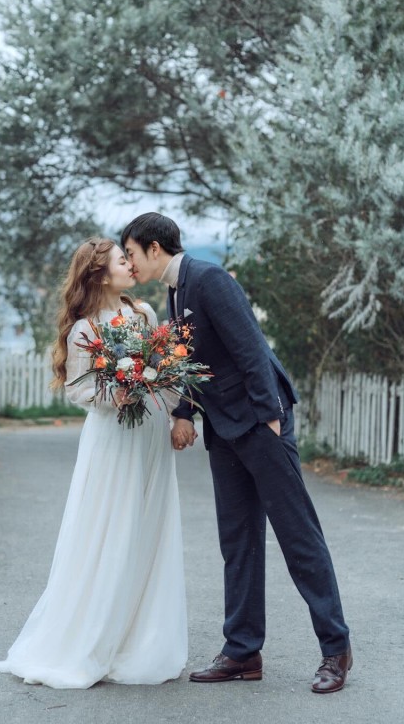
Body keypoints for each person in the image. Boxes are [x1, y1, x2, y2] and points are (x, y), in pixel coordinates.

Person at [122, 213, 352, 694]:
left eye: (131, 253)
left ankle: (336, 650)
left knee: (297, 536)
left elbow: (250, 346)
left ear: (154, 249)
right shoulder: (175, 291)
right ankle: (243, 652)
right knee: (238, 539)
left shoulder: (207, 279)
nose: (128, 262)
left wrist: (270, 415)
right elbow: (190, 358)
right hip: (224, 427)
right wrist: (183, 412)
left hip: (259, 421)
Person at [0, 238, 187, 689]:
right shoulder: (84, 329)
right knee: (111, 529)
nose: (131, 265)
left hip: (151, 435)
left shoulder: (144, 315)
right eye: (123, 260)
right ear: (100, 274)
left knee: (148, 528)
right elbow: (78, 389)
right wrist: (114, 393)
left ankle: (143, 639)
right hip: (114, 438)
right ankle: (93, 639)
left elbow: (171, 370)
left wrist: (178, 413)